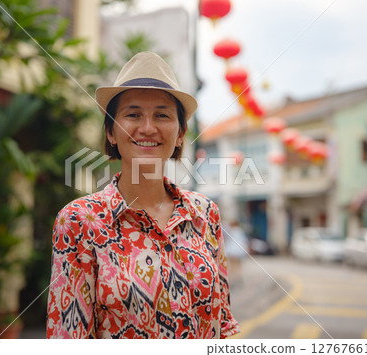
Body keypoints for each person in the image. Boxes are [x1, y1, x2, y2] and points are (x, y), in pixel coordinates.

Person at [46, 52, 240, 339]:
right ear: (111, 132)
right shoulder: (79, 221)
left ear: (180, 134)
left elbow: (222, 324)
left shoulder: (205, 213)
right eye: (133, 114)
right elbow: (68, 337)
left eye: (162, 115)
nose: (148, 128)